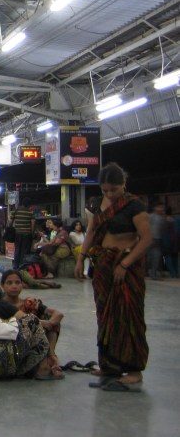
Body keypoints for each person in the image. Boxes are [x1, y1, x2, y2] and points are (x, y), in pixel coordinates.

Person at [75, 163, 151, 392]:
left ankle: (134, 370)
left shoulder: (134, 205)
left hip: (126, 267)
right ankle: (110, 365)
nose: (109, 194)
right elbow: (91, 232)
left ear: (123, 184)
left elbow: (146, 239)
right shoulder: (98, 204)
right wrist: (81, 258)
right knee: (105, 316)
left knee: (128, 316)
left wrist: (125, 264)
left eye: (114, 190)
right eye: (105, 190)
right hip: (103, 266)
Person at [1, 269, 64, 375]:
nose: (14, 286)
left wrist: (49, 324)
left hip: (35, 341)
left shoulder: (29, 302)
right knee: (36, 325)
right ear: (2, 286)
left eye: (17, 282)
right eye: (9, 283)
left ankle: (51, 356)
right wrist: (39, 324)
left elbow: (58, 314)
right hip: (13, 344)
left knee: (49, 317)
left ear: (22, 285)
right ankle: (45, 362)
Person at [11, 198, 35, 270]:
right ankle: (22, 266)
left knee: (17, 249)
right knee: (25, 251)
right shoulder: (30, 213)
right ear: (29, 205)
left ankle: (15, 266)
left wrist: (10, 228)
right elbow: (33, 224)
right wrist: (32, 233)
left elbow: (10, 221)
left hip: (18, 233)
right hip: (27, 234)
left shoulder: (16, 210)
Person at [147, 202, 166, 279]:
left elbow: (163, 229)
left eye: (162, 207)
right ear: (155, 208)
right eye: (160, 207)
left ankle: (153, 273)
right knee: (150, 257)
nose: (161, 209)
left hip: (158, 240)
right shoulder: (150, 216)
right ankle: (149, 272)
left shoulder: (162, 218)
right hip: (150, 239)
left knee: (156, 256)